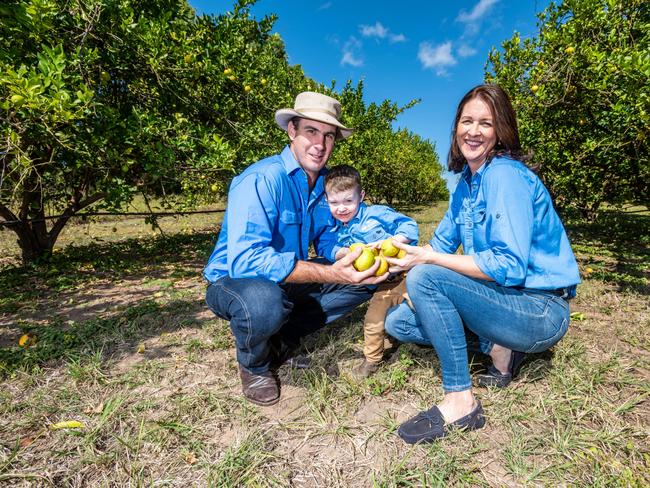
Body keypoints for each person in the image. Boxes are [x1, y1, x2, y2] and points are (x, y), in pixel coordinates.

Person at [383, 84, 581, 444]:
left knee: (427, 278)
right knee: (398, 321)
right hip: (501, 299)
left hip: (539, 310)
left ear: (500, 131)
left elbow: (508, 266)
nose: (473, 131)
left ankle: (461, 400)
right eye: (466, 121)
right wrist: (397, 252)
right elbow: (439, 244)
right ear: (456, 127)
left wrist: (426, 261)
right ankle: (499, 347)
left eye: (485, 123)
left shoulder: (504, 175)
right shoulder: (467, 184)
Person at [203, 92, 387, 407]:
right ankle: (255, 365)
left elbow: (328, 239)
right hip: (234, 280)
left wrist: (347, 255)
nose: (320, 144)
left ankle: (281, 343)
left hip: (287, 275)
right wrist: (330, 272)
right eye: (311, 131)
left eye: (328, 136)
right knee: (263, 302)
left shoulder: (327, 186)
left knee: (366, 277)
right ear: (292, 131)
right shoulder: (262, 179)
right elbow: (247, 260)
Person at [323, 164, 419, 378]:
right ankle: (372, 361)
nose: (342, 208)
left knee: (427, 309)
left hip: (411, 274)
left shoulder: (376, 213)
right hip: (383, 285)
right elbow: (328, 249)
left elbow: (410, 227)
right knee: (373, 321)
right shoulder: (336, 229)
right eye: (334, 202)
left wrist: (388, 243)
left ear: (361, 196)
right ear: (326, 201)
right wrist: (345, 252)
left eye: (348, 200)